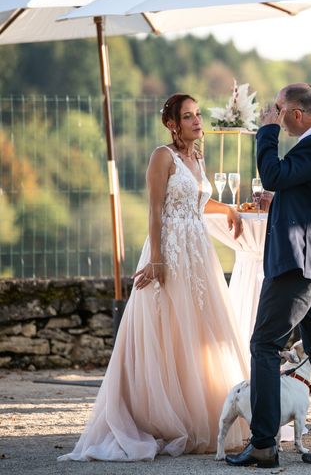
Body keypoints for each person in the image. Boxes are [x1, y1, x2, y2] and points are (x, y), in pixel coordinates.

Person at [59, 94, 248, 461]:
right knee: (167, 327)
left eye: (198, 115)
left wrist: (227, 208)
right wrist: (158, 259)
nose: (197, 122)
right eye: (188, 116)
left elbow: (196, 200)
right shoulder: (163, 156)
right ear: (172, 123)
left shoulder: (196, 155)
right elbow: (156, 208)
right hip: (170, 249)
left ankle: (201, 417)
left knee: (197, 331)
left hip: (198, 251)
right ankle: (159, 417)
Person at [225, 83, 311, 468]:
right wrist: (279, 200)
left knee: (264, 344)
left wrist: (266, 133)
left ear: (296, 114)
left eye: (279, 111)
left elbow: (273, 173)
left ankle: (263, 444)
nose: (274, 115)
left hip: (300, 263)